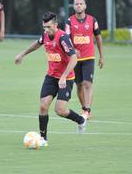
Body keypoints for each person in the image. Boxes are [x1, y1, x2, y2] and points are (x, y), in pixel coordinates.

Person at [15, 11, 87, 147]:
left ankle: (81, 120)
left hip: (66, 78)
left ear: (55, 25)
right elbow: (37, 43)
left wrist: (64, 77)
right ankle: (43, 139)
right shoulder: (45, 36)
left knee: (60, 110)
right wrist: (22, 54)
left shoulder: (63, 38)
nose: (46, 30)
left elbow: (74, 58)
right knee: (43, 106)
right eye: (44, 27)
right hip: (51, 76)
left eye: (48, 27)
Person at [65, 0, 104, 119]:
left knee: (88, 83)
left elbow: (98, 37)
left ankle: (87, 110)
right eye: (76, 4)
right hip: (75, 59)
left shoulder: (93, 20)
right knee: (79, 85)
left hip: (89, 58)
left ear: (85, 6)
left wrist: (101, 56)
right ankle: (84, 108)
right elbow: (66, 39)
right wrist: (73, 50)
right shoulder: (69, 21)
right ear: (74, 6)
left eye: (81, 4)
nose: (79, 6)